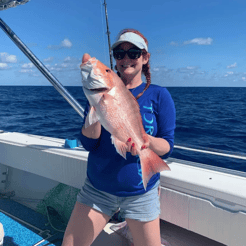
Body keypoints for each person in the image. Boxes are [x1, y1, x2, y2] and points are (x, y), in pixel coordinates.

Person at [62, 28, 176, 246]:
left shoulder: (160, 95)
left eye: (133, 53)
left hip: (141, 193)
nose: (126, 59)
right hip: (98, 189)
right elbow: (89, 142)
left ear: (145, 57)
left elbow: (167, 146)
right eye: (119, 54)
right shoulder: (99, 92)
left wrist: (146, 142)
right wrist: (96, 104)